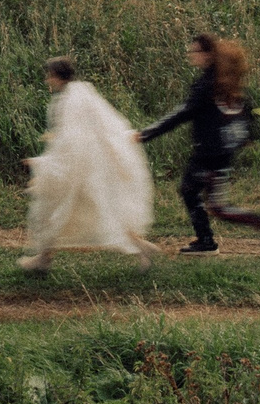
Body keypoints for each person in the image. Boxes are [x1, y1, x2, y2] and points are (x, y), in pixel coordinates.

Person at [137, 33, 260, 254]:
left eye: (195, 52)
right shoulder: (224, 79)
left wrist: (147, 134)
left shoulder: (206, 84)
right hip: (222, 152)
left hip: (208, 153)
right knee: (206, 200)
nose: (191, 56)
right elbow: (246, 108)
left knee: (196, 195)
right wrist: (248, 136)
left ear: (207, 55)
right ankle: (257, 224)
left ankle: (207, 242)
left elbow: (182, 114)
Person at [20, 57, 159, 273]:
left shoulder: (70, 101)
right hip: (91, 166)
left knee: (55, 210)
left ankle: (43, 259)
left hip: (79, 169)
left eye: (49, 75)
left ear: (57, 77)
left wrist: (43, 164)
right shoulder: (83, 93)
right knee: (100, 209)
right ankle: (44, 259)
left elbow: (69, 141)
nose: (47, 80)